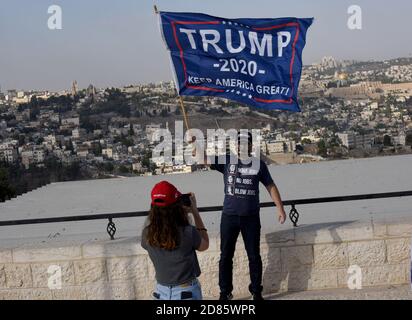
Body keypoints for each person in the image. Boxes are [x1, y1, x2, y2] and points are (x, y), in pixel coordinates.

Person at [205, 131, 287, 300]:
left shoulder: (259, 165)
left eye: (244, 142)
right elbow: (204, 160)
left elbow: (270, 186)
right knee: (226, 255)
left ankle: (256, 291)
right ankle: (225, 292)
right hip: (229, 217)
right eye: (238, 142)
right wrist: (195, 144)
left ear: (250, 145)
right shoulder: (227, 160)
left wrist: (280, 208)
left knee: (254, 256)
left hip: (251, 217)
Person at [141, 181, 209, 300]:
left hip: (160, 293)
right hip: (186, 292)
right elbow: (205, 244)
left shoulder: (147, 234)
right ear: (177, 207)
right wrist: (195, 212)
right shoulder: (188, 232)